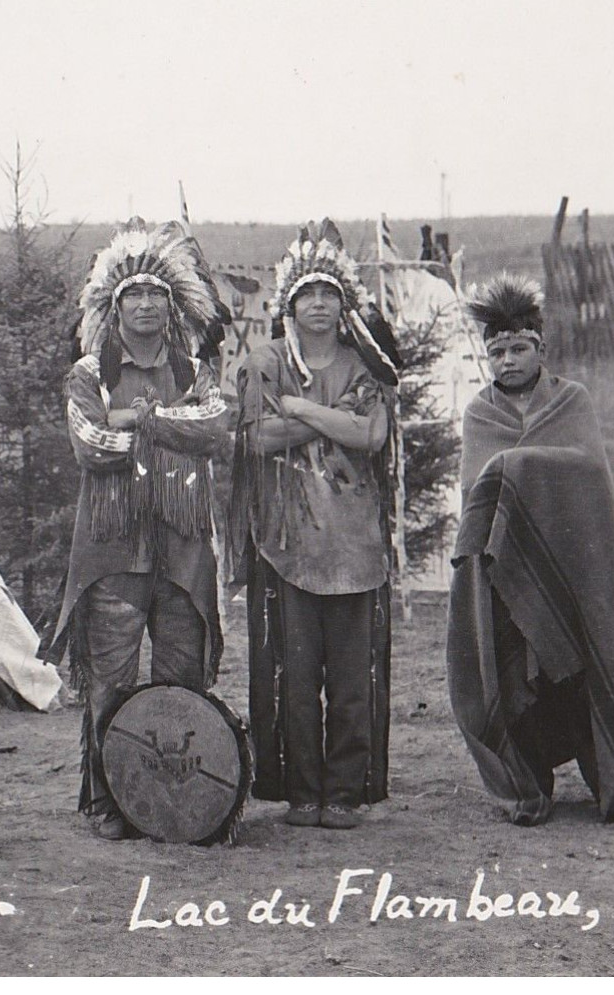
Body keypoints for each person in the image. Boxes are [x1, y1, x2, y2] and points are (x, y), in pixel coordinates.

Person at [446, 274, 614, 825]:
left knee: (588, 665)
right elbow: (479, 490)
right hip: (506, 575)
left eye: (518, 349)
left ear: (541, 349)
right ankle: (529, 787)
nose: (507, 361)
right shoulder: (481, 415)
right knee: (515, 671)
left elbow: (589, 476)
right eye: (496, 352)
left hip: (574, 569)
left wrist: (516, 472)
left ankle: (613, 784)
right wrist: (516, 474)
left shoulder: (572, 401)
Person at [43, 219, 230, 840]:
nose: (145, 304)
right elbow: (91, 443)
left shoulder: (193, 366)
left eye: (155, 294)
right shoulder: (89, 372)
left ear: (172, 305)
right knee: (111, 679)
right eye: (133, 296)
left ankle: (183, 796)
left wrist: (141, 420)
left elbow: (214, 425)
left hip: (182, 547)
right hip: (112, 549)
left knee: (183, 673)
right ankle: (109, 800)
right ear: (113, 306)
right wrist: (159, 422)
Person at [230, 220, 400, 831]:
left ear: (343, 302)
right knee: (295, 672)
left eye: (329, 294)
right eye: (308, 295)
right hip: (286, 542)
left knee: (352, 675)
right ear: (290, 304)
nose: (320, 305)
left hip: (356, 541)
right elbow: (257, 438)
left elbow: (372, 434)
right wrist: (332, 417)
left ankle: (345, 794)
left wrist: (299, 408)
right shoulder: (265, 361)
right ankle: (302, 791)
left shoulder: (362, 364)